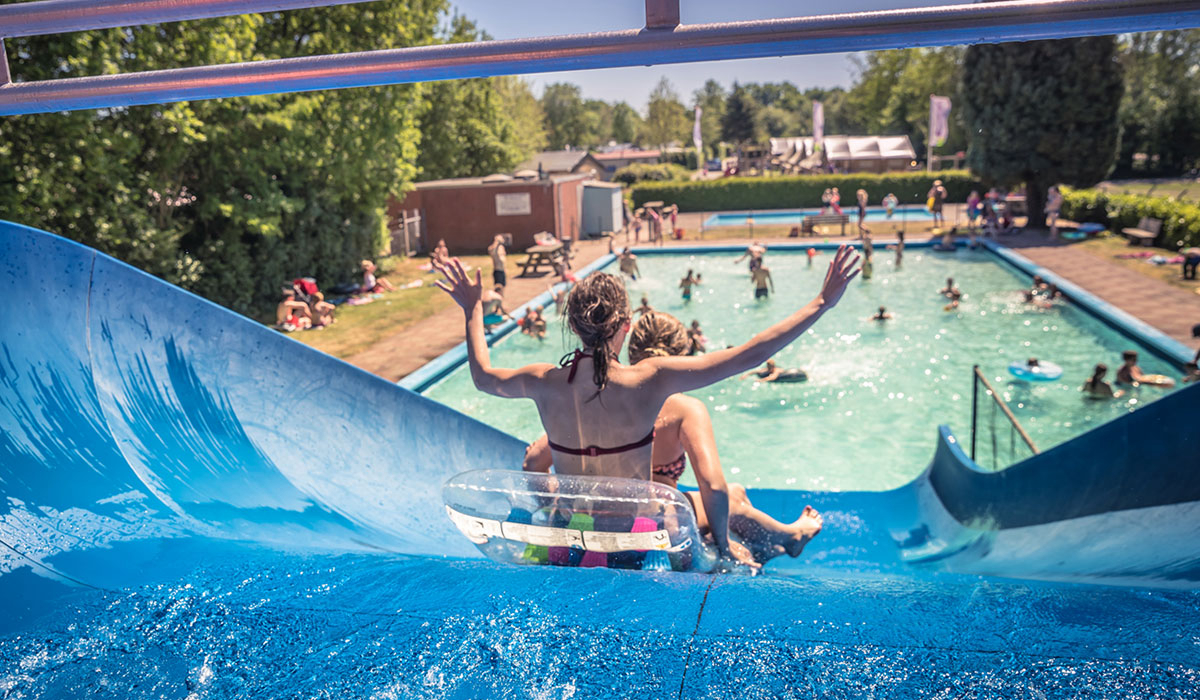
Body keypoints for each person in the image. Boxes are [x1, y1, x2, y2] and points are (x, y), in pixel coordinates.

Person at [430, 246, 859, 487]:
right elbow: (749, 355)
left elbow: (483, 377)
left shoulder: (544, 381)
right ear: (624, 327)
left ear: (573, 325)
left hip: (571, 535)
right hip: (632, 535)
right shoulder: (650, 380)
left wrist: (471, 310)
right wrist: (821, 303)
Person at [522, 312, 826, 567]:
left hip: (601, 512)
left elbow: (534, 459)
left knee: (736, 492)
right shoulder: (683, 408)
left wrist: (552, 505)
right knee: (730, 497)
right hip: (655, 519)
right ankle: (788, 538)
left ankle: (776, 544)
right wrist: (723, 547)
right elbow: (712, 485)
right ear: (682, 358)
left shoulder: (604, 395)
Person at [740, 359, 807, 383]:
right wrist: (746, 375)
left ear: (773, 366)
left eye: (770, 367)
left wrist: (762, 380)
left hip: (790, 375)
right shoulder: (766, 369)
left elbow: (773, 377)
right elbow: (756, 372)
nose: (768, 368)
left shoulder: (776, 370)